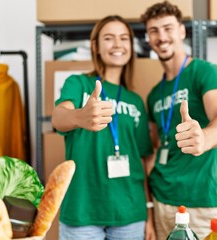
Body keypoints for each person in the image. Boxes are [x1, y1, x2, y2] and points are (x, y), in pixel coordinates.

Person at [51, 15, 156, 240]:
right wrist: (80, 116)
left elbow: (144, 159)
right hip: (83, 211)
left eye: (124, 38)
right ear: (96, 47)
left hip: (130, 212)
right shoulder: (79, 84)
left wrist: (149, 212)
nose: (117, 44)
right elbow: (58, 118)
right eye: (109, 38)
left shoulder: (136, 101)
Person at [141, 2, 217, 239]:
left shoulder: (205, 72)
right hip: (162, 198)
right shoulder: (154, 93)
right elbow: (154, 150)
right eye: (154, 31)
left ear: (182, 31)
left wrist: (205, 137)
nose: (161, 37)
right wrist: (149, 209)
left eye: (168, 28)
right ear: (148, 38)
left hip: (201, 201)